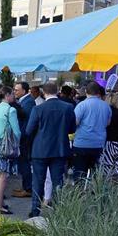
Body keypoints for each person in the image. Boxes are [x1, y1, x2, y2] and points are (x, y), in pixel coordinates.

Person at [25, 86, 76, 217]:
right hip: (59, 149)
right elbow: (72, 129)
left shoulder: (38, 109)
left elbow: (29, 130)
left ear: (44, 92)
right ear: (57, 92)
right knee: (57, 181)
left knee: (37, 181)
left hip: (40, 149)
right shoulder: (68, 108)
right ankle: (58, 210)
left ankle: (35, 210)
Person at [0, 88, 22, 214]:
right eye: (13, 94)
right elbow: (17, 131)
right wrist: (18, 144)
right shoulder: (11, 110)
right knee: (3, 175)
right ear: (7, 95)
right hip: (6, 143)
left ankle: (0, 202)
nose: (14, 96)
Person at [72, 83, 112, 180]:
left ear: (86, 92)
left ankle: (79, 193)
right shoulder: (106, 106)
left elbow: (75, 122)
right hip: (98, 143)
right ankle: (94, 193)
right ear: (98, 92)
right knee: (95, 172)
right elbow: (108, 123)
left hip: (82, 143)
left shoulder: (81, 105)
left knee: (80, 172)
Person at [14, 82, 37, 198]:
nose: (15, 92)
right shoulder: (25, 101)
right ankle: (25, 186)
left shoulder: (28, 102)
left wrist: (20, 136)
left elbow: (26, 122)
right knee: (23, 162)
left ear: (24, 91)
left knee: (24, 162)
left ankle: (27, 188)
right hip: (24, 136)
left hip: (25, 137)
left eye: (17, 90)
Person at [100, 89, 118, 176]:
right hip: (117, 141)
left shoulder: (105, 112)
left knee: (106, 165)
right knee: (116, 164)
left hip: (106, 141)